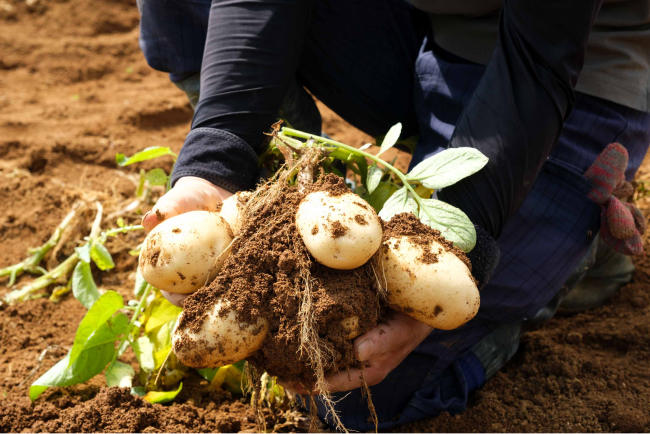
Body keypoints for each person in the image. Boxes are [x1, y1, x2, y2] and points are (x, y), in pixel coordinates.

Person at [136, 0, 650, 430]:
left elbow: (540, 58)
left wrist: (448, 250)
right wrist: (215, 161)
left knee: (355, 398)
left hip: (570, 63)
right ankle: (283, 200)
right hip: (422, 27)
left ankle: (576, 252)